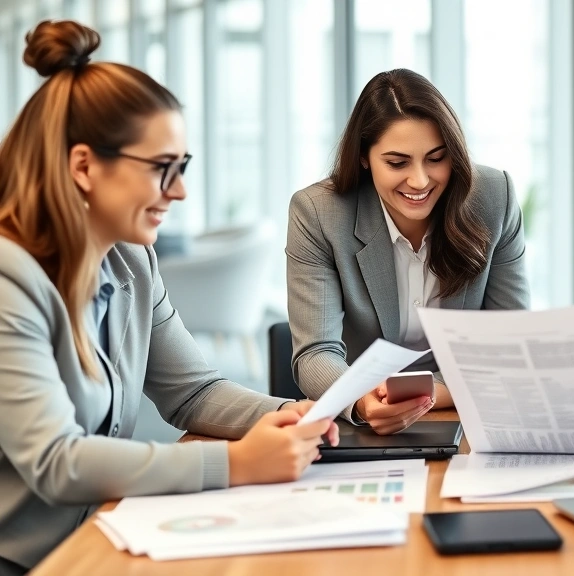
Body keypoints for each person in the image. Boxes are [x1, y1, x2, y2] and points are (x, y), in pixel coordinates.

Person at [0, 21, 339, 575]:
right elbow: (57, 462)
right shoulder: (10, 279)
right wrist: (234, 463)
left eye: (182, 168)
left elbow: (192, 392)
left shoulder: (131, 261)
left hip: (104, 537)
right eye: (162, 169)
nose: (180, 190)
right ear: (84, 166)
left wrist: (288, 415)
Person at [287, 69, 529, 435]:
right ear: (365, 158)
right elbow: (315, 355)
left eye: (436, 158)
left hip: (472, 418)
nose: (419, 180)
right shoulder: (319, 213)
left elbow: (509, 345)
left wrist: (427, 394)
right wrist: (363, 400)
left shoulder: (494, 197)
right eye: (397, 163)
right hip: (362, 421)